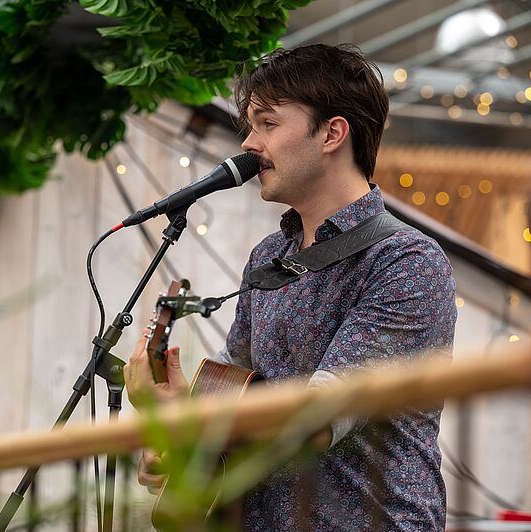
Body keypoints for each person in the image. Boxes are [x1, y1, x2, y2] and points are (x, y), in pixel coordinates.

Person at [125, 44, 457, 531]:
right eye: (250, 125)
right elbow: (234, 388)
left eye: (268, 123)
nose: (248, 143)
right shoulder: (268, 256)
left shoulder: (407, 262)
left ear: (332, 133)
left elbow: (317, 421)